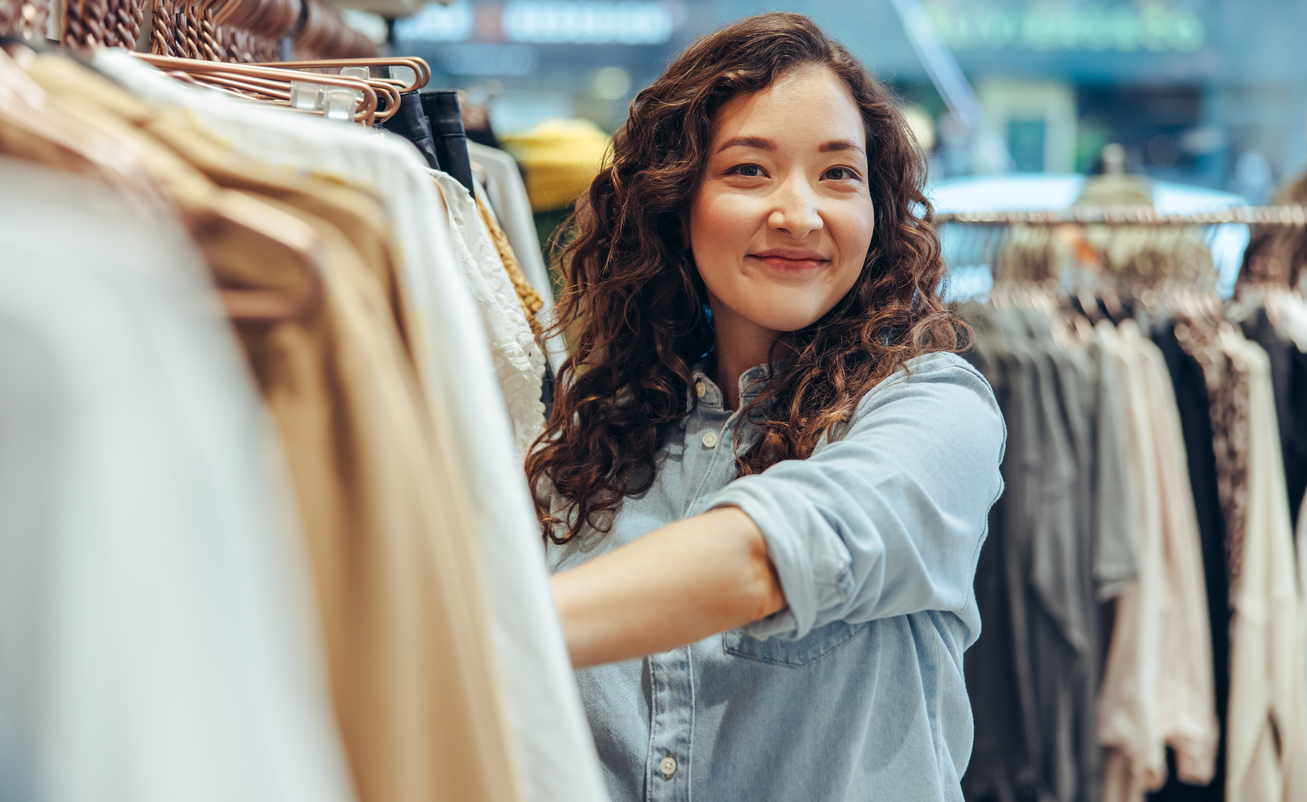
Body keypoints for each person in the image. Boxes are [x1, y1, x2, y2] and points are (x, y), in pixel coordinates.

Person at [525, 12, 1006, 801]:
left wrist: (486, 629)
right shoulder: (593, 431)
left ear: (877, 210)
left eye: (838, 174)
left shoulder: (935, 412)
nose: (799, 213)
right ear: (676, 201)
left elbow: (770, 555)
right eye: (749, 171)